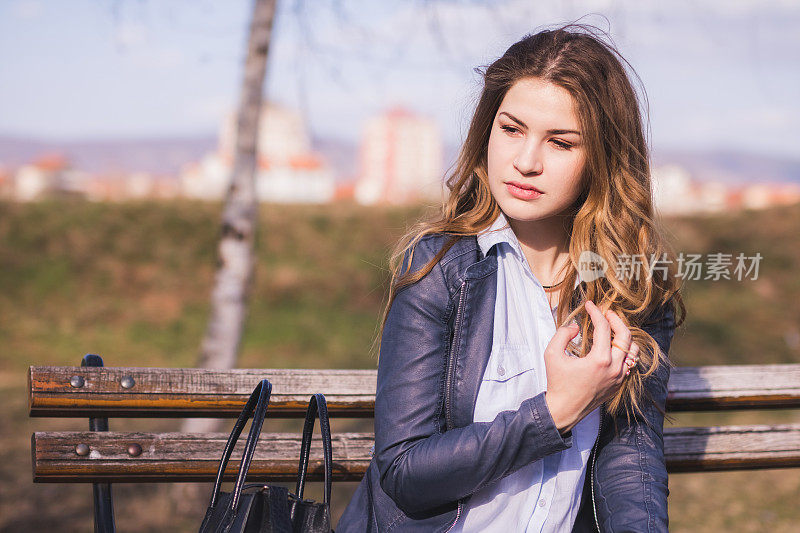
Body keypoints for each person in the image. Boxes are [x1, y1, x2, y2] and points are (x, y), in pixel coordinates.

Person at [337, 24, 686, 532]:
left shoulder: (631, 288)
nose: (526, 162)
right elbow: (405, 472)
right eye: (512, 129)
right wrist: (554, 411)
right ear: (487, 129)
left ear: (604, 158)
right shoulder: (438, 269)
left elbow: (630, 459)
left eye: (560, 142)